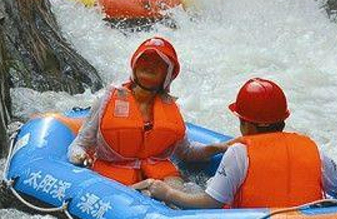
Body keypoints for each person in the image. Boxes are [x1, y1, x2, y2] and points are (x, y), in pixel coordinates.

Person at [133, 78, 337, 208]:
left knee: (188, 190)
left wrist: (166, 193)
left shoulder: (240, 153)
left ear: (246, 124)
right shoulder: (312, 149)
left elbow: (209, 203)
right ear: (283, 119)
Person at [67, 37, 226, 187]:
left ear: (167, 75)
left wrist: (218, 148)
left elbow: (186, 152)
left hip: (159, 180)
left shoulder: (170, 108)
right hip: (114, 182)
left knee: (188, 191)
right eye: (145, 59)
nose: (150, 64)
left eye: (158, 63)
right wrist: (79, 157)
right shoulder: (106, 100)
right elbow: (80, 144)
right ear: (135, 66)